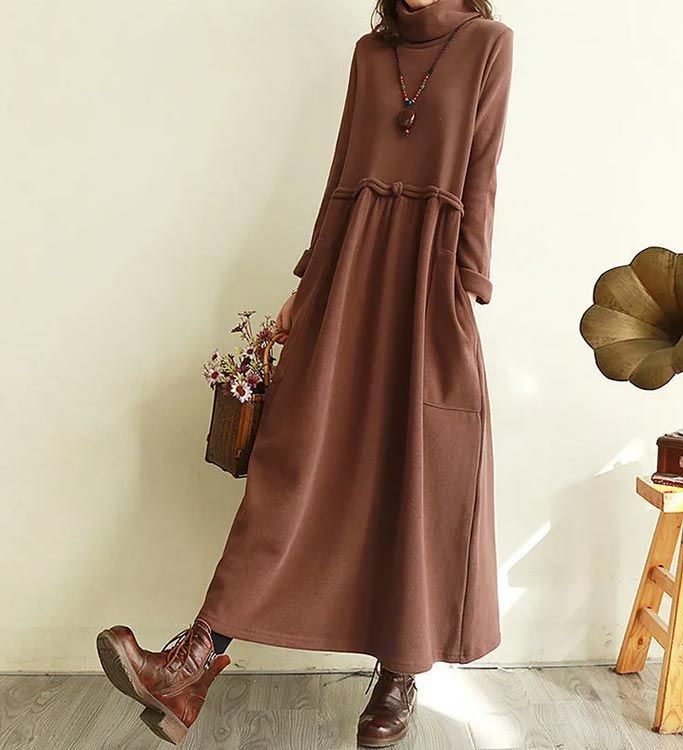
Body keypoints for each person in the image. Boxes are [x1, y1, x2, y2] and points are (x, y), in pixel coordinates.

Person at [96, 0, 513, 745]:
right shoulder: (370, 53)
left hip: (429, 282)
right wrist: (308, 279)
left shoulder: (489, 44)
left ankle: (399, 675)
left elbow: (481, 172)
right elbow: (343, 174)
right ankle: (191, 665)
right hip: (347, 275)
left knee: (416, 472)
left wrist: (465, 286)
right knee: (292, 466)